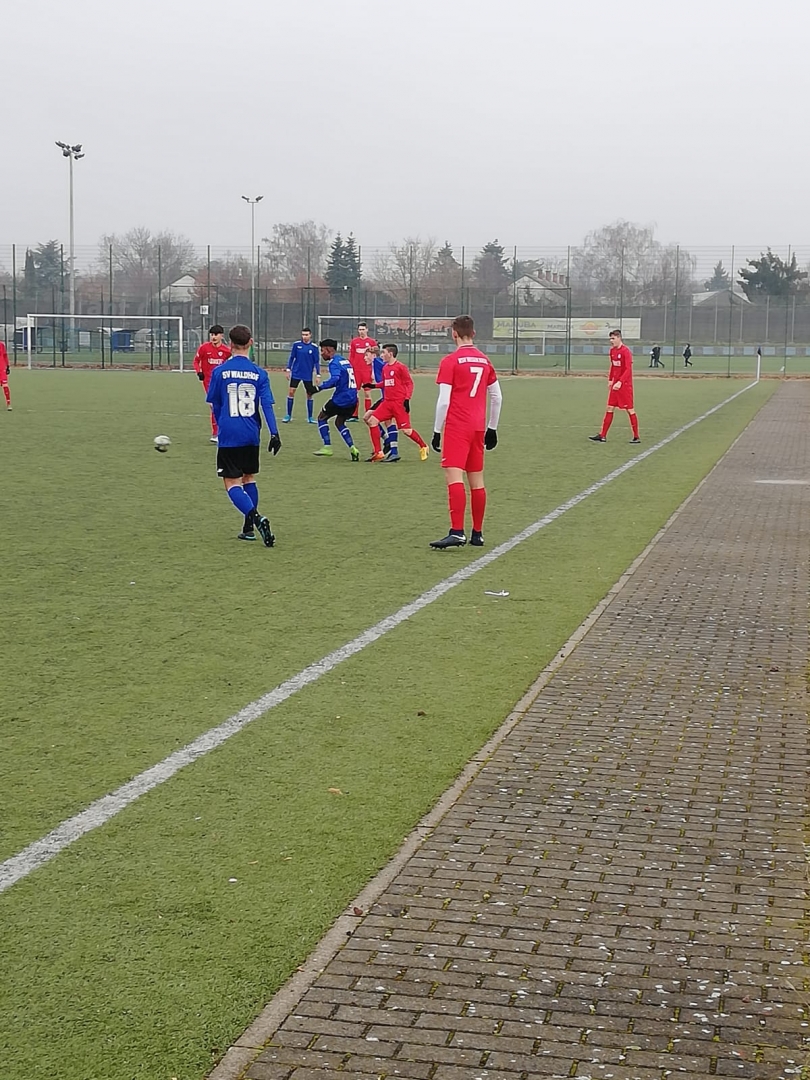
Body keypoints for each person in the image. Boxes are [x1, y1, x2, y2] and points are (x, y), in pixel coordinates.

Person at [430, 315, 502, 549]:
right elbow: (497, 397)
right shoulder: (485, 360)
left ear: (454, 333)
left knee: (454, 476)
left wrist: (437, 430)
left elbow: (444, 401)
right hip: (478, 427)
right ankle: (477, 533)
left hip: (457, 427)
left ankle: (457, 531)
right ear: (474, 333)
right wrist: (492, 428)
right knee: (477, 480)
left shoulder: (450, 361)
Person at [205, 325, 281, 545]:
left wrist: (222, 426)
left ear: (230, 344)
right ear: (251, 343)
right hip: (251, 433)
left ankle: (256, 519)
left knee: (231, 482)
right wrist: (274, 433)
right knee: (249, 477)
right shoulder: (260, 373)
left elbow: (215, 404)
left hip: (230, 433)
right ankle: (248, 529)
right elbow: (266, 405)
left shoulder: (220, 372)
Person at [363, 343, 429, 462]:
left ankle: (423, 446)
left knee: (406, 430)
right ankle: (379, 452)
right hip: (387, 403)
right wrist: (373, 386)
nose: (381, 355)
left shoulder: (400, 367)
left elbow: (409, 383)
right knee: (372, 421)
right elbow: (385, 383)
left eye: (383, 353)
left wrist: (407, 399)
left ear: (390, 354)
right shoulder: (385, 368)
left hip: (399, 403)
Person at [310, 338, 360, 460]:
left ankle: (327, 447)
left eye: (322, 351)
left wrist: (319, 388)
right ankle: (353, 448)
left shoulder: (334, 363)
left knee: (321, 418)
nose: (321, 354)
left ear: (329, 350)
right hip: (353, 399)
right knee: (339, 423)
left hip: (341, 399)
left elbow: (335, 378)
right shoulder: (344, 361)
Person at [589, 329, 640, 444]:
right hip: (615, 385)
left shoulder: (626, 351)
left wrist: (620, 382)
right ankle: (602, 435)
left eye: (613, 338)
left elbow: (628, 369)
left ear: (619, 338)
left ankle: (636, 437)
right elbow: (613, 366)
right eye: (610, 339)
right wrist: (611, 380)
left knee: (630, 410)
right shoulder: (612, 351)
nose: (611, 341)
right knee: (609, 408)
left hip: (624, 386)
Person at [193, 324, 231, 442]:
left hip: (222, 382)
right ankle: (216, 434)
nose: (213, 337)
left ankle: (224, 431)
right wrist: (199, 372)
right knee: (214, 405)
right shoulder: (204, 348)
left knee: (223, 406)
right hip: (208, 382)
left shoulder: (226, 351)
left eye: (216, 335)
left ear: (221, 336)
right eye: (212, 335)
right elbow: (196, 361)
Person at [283, 327, 320, 423]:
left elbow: (316, 362)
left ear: (310, 335)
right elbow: (292, 357)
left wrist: (318, 374)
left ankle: (310, 417)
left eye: (306, 335)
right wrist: (288, 369)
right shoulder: (296, 345)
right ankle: (288, 415)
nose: (304, 337)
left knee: (309, 394)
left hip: (307, 374)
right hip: (296, 373)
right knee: (291, 392)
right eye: (303, 335)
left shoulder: (314, 347)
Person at [347, 321, 377, 420]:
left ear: (367, 330)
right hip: (356, 371)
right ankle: (354, 415)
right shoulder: (354, 342)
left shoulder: (372, 342)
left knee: (367, 393)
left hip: (367, 371)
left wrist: (373, 372)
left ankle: (368, 415)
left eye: (363, 329)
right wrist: (350, 369)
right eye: (360, 329)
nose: (361, 331)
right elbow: (351, 356)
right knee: (354, 393)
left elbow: (374, 358)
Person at [0, 339, 10, 410]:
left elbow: (5, 355)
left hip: (2, 368)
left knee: (5, 385)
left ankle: (8, 403)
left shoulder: (1, 345)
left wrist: (7, 366)